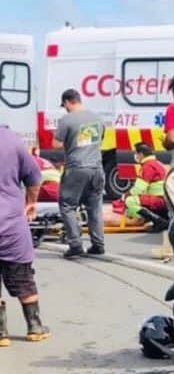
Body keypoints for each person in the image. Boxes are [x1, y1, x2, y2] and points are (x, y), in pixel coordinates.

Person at [0, 126, 50, 346]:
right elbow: (33, 178)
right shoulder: (11, 139)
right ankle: (35, 326)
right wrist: (30, 203)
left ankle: (1, 333)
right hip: (11, 222)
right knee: (22, 276)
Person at [54, 89, 106, 259]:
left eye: (65, 105)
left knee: (68, 205)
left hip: (76, 168)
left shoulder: (66, 120)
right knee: (95, 206)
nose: (65, 109)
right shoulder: (97, 118)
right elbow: (100, 139)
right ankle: (98, 244)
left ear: (68, 102)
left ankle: (75, 244)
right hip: (97, 168)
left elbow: (56, 144)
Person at [123, 143, 168, 230]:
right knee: (139, 199)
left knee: (130, 201)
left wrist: (126, 195)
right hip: (164, 201)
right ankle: (157, 219)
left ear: (141, 154)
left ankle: (158, 221)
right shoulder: (157, 163)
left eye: (136, 154)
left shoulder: (147, 166)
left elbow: (139, 189)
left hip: (158, 201)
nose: (135, 156)